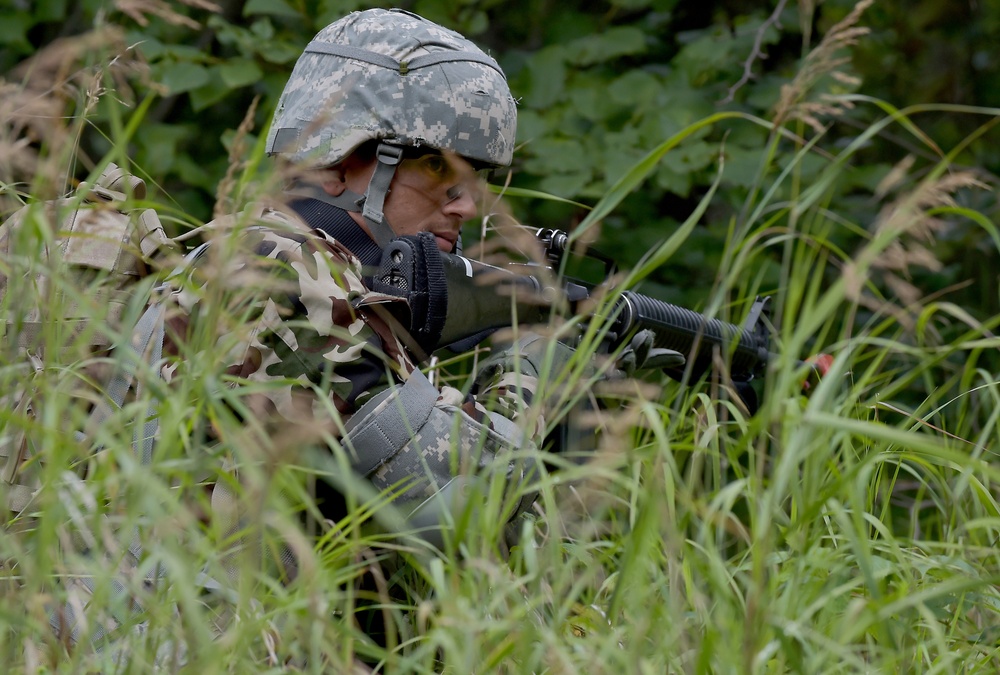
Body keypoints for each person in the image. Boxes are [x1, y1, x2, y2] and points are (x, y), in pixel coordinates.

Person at [168, 7, 571, 548]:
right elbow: (463, 512)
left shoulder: (241, 250)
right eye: (436, 169)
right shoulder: (294, 278)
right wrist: (532, 369)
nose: (466, 206)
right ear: (336, 163)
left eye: (472, 180)